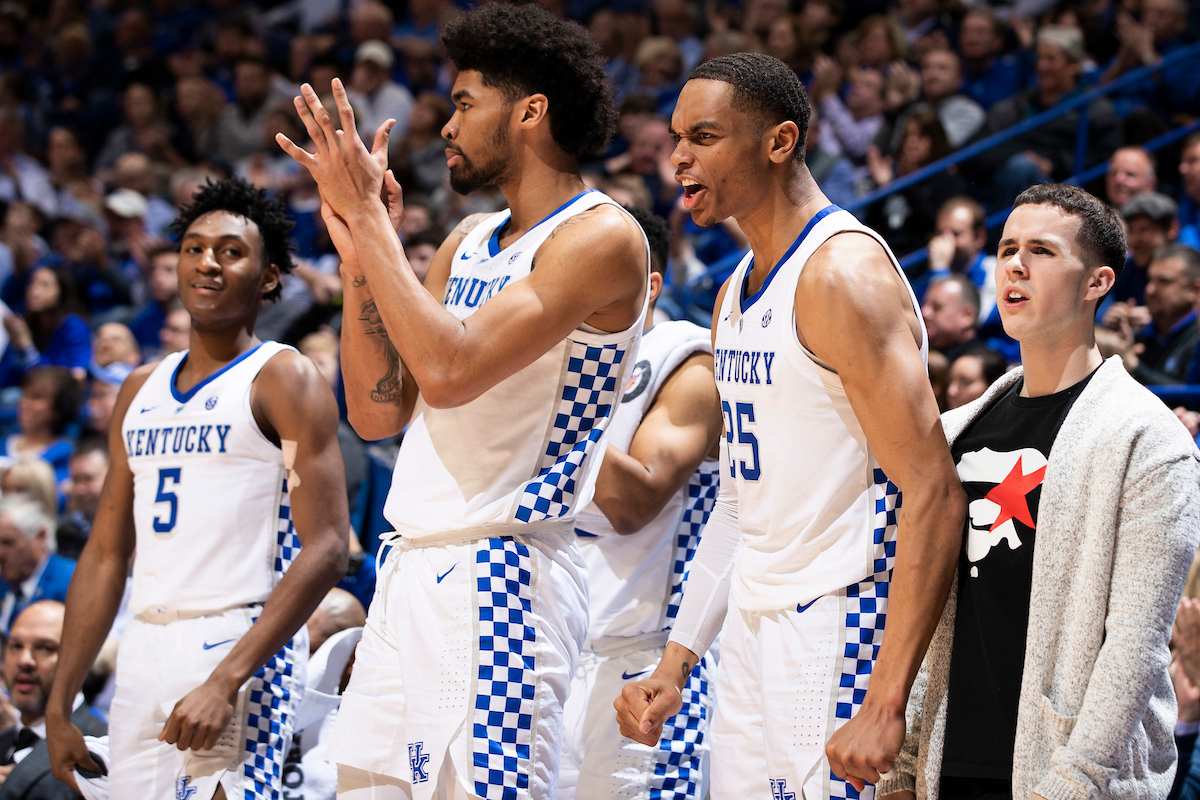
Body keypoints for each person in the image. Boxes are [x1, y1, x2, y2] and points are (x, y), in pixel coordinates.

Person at [276, 3, 649, 796]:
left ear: (529, 112)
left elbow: (451, 371)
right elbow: (380, 412)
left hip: (504, 576)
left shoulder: (600, 236)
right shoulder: (467, 240)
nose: (444, 125)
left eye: (463, 104)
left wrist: (375, 224)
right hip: (410, 567)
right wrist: (357, 263)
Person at [614, 52, 965, 799]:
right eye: (676, 136)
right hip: (752, 624)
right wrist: (677, 662)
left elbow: (933, 492)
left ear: (778, 142)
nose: (678, 156)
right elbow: (741, 502)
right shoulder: (735, 289)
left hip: (842, 620)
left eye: (703, 136)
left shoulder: (842, 276)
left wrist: (885, 700)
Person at [877, 183, 1200, 800]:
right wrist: (904, 762)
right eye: (1006, 249)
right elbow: (917, 597)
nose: (1015, 266)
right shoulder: (953, 431)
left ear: (1097, 283)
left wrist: (1073, 784)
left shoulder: (1149, 439)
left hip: (1065, 777)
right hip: (943, 765)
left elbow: (1136, 641)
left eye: (1042, 251)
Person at [44, 177, 349, 799]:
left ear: (268, 277)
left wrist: (225, 678)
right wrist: (61, 700)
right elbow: (104, 555)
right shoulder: (138, 389)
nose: (208, 262)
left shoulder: (283, 377)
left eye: (231, 251)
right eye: (194, 247)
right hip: (145, 641)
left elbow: (329, 547)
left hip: (239, 642)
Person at [560, 208, 722, 800]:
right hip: (554, 651)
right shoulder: (568, 367)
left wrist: (548, 401)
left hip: (651, 663)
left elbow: (635, 502)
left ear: (649, 285)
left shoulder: (689, 360)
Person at [0, 602, 105, 800]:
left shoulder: (100, 748)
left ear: (82, 659)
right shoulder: (3, 739)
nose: (25, 660)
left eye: (46, 648)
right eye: (15, 646)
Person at [1112, 244, 1200, 386]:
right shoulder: (1140, 336)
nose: (1150, 290)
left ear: (1194, 290)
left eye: (1164, 281)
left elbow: (1190, 399)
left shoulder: (1197, 339)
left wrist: (1134, 366)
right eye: (1149, 280)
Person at [0, 497, 73, 634]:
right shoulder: (4, 583)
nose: (1, 553)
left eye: (8, 543)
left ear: (41, 536)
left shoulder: (72, 582)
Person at [921, 275, 984, 362]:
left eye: (937, 307)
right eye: (924, 304)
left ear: (967, 315)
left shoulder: (979, 367)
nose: (924, 313)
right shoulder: (919, 352)